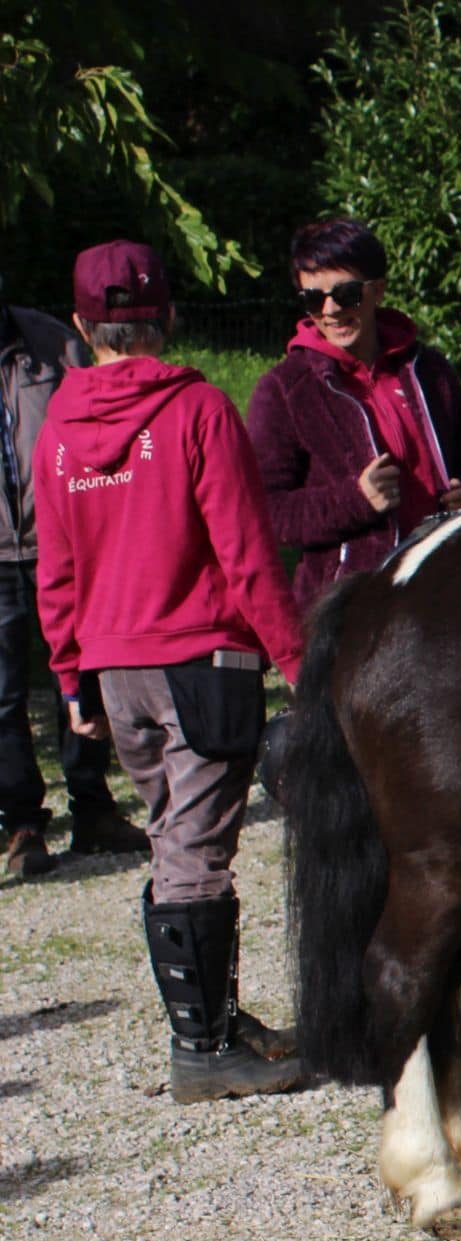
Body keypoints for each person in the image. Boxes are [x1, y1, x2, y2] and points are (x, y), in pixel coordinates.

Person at [245, 216, 461, 978]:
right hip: (354, 613)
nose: (330, 310)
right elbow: (267, 511)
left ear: (377, 288)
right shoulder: (286, 390)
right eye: (313, 297)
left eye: (345, 292)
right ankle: (384, 942)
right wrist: (352, 502)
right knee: (370, 789)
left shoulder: (429, 369)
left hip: (451, 600)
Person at [35, 239, 309, 1102]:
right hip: (202, 658)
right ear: (170, 317)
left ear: (81, 326)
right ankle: (202, 1048)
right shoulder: (198, 410)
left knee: (172, 836)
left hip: (117, 668)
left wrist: (70, 676)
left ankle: (217, 1020)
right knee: (195, 850)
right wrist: (301, 661)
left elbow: (56, 568)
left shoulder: (57, 430)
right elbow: (246, 553)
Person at [2, 277, 149, 876]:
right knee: (3, 694)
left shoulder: (53, 344)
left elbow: (93, 427)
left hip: (59, 540)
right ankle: (22, 823)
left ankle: (93, 807)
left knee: (84, 676)